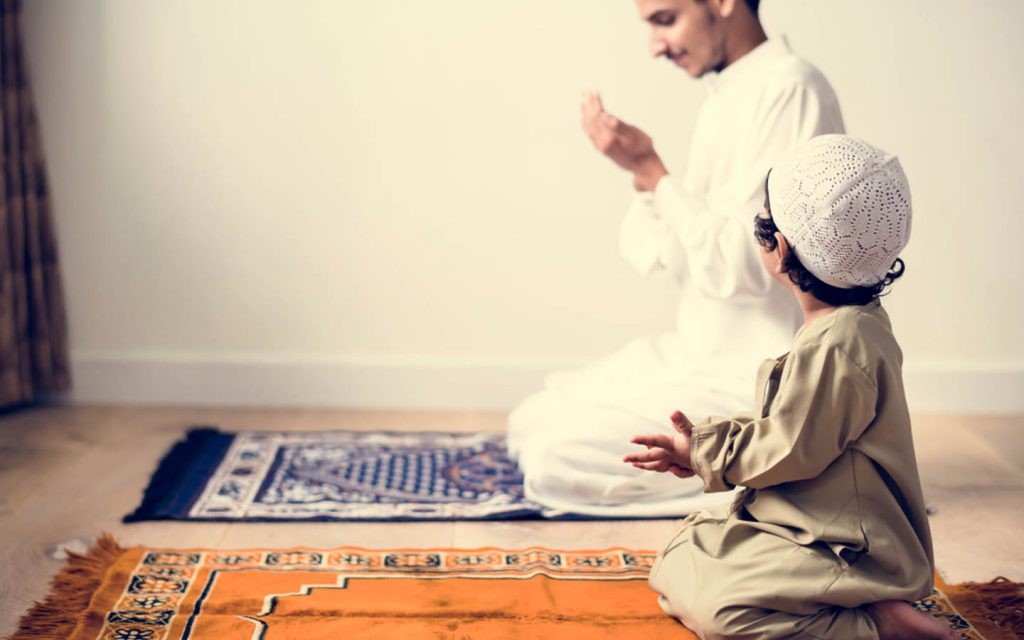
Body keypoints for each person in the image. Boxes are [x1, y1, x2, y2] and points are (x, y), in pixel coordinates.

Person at [507, 0, 845, 517]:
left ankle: (775, 469)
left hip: (757, 374)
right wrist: (645, 178)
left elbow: (745, 266)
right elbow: (673, 252)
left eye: (665, 20)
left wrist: (653, 172)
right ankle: (741, 467)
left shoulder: (790, 88)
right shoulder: (727, 95)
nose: (655, 46)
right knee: (530, 421)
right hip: (699, 352)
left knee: (555, 458)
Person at [625, 134, 954, 639]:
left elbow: (790, 447)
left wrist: (704, 455)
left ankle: (874, 618)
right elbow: (792, 427)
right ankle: (856, 603)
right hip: (810, 522)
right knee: (685, 554)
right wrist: (702, 447)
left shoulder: (838, 345)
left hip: (852, 546)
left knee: (724, 611)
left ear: (778, 249)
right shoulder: (850, 324)